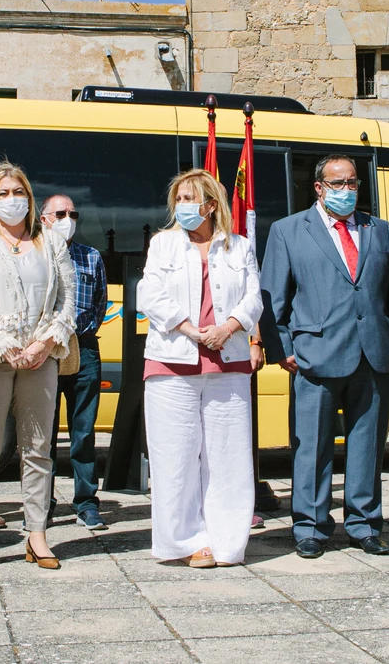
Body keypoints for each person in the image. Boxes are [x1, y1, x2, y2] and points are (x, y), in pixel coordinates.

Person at [259, 155, 389, 560]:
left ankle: (365, 524)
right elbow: (273, 297)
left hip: (372, 354)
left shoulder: (378, 229)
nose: (347, 190)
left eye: (353, 183)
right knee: (311, 446)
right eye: (338, 183)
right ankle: (310, 527)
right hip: (314, 356)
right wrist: (282, 349)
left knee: (368, 445)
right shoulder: (289, 230)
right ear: (319, 188)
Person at [0, 163, 77, 572]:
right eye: (4, 193)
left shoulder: (50, 241)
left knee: (38, 448)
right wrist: (5, 345)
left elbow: (67, 298)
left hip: (40, 356)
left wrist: (46, 342)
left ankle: (37, 535)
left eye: (19, 191)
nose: (13, 199)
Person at [138, 170, 263, 567]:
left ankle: (227, 542)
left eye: (189, 198)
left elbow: (254, 298)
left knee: (229, 458)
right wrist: (192, 330)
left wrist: (228, 328)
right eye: (178, 199)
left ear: (210, 205)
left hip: (229, 359)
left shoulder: (239, 246)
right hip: (172, 360)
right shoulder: (163, 244)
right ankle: (184, 542)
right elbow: (149, 295)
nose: (182, 206)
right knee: (174, 458)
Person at [43, 193, 110, 530]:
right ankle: (43, 504)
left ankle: (86, 502)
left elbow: (100, 302)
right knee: (44, 433)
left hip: (83, 349)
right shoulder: (34, 255)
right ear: (44, 219)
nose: (67, 219)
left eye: (73, 213)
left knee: (83, 431)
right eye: (60, 213)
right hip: (45, 350)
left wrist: (81, 336)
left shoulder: (91, 256)